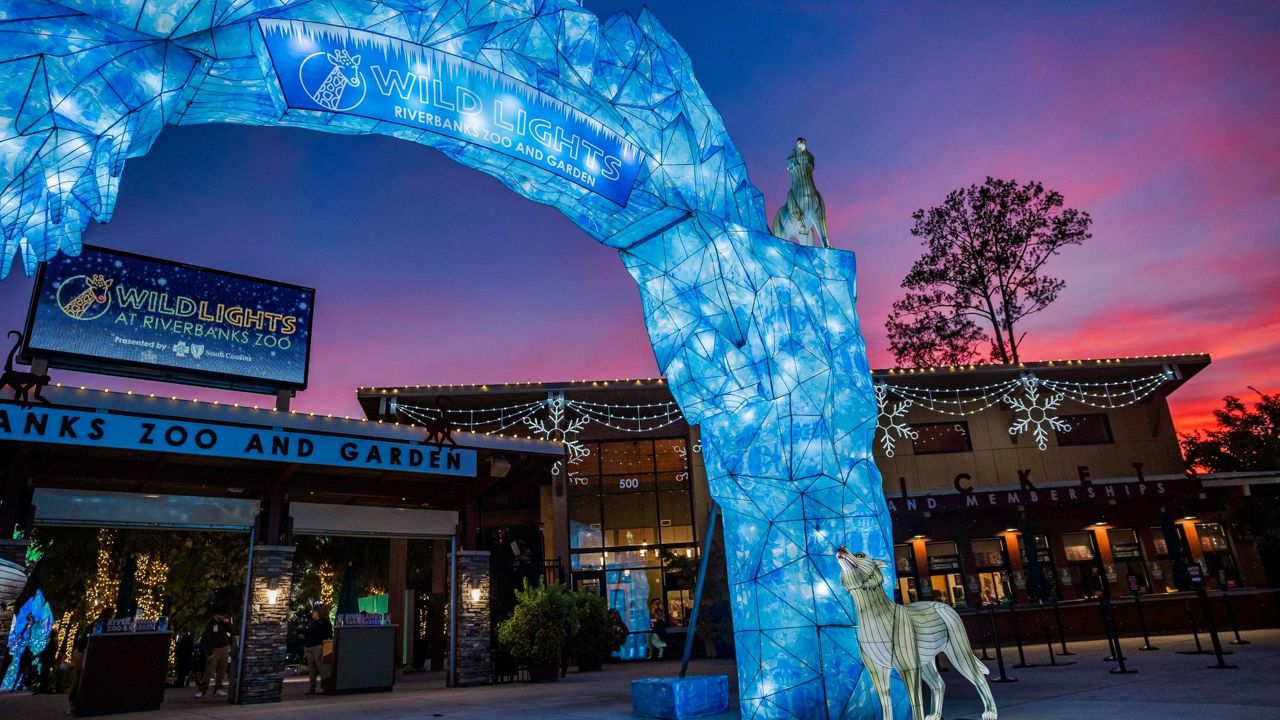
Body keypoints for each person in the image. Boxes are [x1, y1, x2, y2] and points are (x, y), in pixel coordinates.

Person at [69, 606, 112, 708]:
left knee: (78, 677)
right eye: (111, 615)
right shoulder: (100, 625)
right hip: (83, 653)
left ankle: (74, 700)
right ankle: (75, 700)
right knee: (80, 677)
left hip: (80, 651)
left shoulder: (96, 623)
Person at [195, 612, 232, 698]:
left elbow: (230, 630)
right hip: (215, 648)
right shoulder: (211, 623)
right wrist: (209, 651)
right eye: (222, 614)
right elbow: (208, 637)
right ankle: (202, 690)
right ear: (217, 614)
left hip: (224, 647)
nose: (224, 616)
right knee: (209, 670)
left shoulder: (223, 622)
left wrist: (227, 623)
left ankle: (219, 688)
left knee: (222, 670)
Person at [302, 606, 332, 695]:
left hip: (317, 647)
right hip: (309, 647)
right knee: (312, 669)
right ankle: (312, 688)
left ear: (318, 613)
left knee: (321, 668)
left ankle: (326, 687)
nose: (312, 614)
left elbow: (328, 634)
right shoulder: (313, 623)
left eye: (314, 612)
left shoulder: (324, 622)